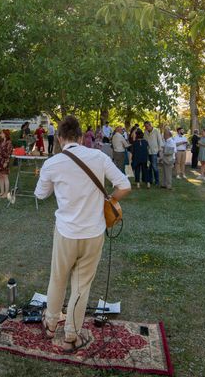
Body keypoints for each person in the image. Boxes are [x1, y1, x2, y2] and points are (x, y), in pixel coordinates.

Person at [34, 115, 131, 353]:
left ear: (59, 139)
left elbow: (40, 194)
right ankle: (71, 335)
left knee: (57, 278)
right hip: (93, 232)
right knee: (81, 285)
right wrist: (108, 200)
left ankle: (49, 324)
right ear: (80, 137)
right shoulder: (98, 156)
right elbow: (125, 185)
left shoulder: (53, 162)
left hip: (66, 231)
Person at [0, 129, 13, 198]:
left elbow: (9, 153)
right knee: (0, 176)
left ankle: (6, 193)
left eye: (1, 133)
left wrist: (6, 162)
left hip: (4, 160)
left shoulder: (9, 142)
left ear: (5, 134)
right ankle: (2, 192)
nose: (0, 134)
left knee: (5, 176)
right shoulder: (1, 141)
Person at [143, 121, 163, 187]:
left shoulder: (156, 131)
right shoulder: (145, 132)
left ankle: (157, 181)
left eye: (147, 126)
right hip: (147, 152)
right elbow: (144, 141)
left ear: (150, 125)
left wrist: (160, 150)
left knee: (154, 167)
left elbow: (160, 140)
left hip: (154, 151)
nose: (146, 128)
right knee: (148, 167)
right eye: (145, 126)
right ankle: (150, 180)